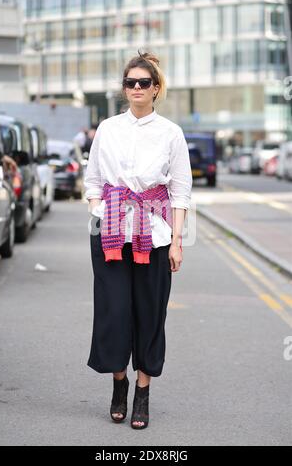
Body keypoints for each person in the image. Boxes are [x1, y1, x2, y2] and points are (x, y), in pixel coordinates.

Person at [84, 50, 192, 430]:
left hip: (157, 235)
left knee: (150, 314)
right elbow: (93, 180)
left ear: (156, 88)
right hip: (110, 232)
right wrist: (102, 211)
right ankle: (119, 384)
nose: (136, 88)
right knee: (114, 313)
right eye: (130, 82)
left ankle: (143, 393)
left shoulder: (170, 133)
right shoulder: (109, 129)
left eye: (143, 82)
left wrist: (177, 241)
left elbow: (180, 192)